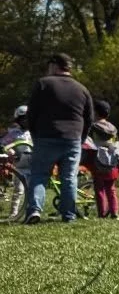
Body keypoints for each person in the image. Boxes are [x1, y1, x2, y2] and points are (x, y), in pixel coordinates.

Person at [25, 53, 94, 224]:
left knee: (39, 175)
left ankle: (34, 210)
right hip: (72, 138)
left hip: (46, 136)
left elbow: (31, 113)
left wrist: (35, 134)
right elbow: (89, 118)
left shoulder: (43, 84)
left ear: (54, 65)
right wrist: (80, 137)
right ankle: (69, 215)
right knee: (69, 178)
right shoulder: (82, 89)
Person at [88, 104, 119, 219]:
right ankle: (114, 212)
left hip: (98, 160)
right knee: (111, 188)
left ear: (96, 113)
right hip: (111, 160)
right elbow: (116, 144)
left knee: (99, 189)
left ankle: (102, 213)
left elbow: (89, 142)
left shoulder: (93, 127)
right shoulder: (113, 128)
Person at [3, 105, 32, 222]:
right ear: (18, 120)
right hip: (20, 166)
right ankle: (14, 213)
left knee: (32, 190)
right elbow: (3, 143)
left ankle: (30, 212)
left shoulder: (34, 132)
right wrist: (9, 150)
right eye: (23, 119)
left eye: (28, 118)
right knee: (18, 190)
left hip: (33, 164)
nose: (26, 121)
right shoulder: (13, 133)